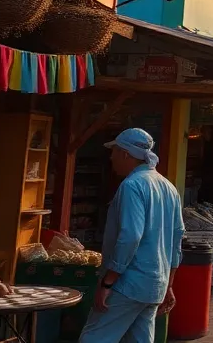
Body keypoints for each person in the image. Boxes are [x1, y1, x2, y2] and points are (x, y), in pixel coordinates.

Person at [79, 128, 183, 343]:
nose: (111, 157)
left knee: (94, 338)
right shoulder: (168, 186)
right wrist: (169, 283)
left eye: (114, 151)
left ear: (126, 154)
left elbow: (130, 237)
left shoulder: (132, 186)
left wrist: (108, 282)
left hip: (128, 283)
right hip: (156, 283)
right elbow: (176, 239)